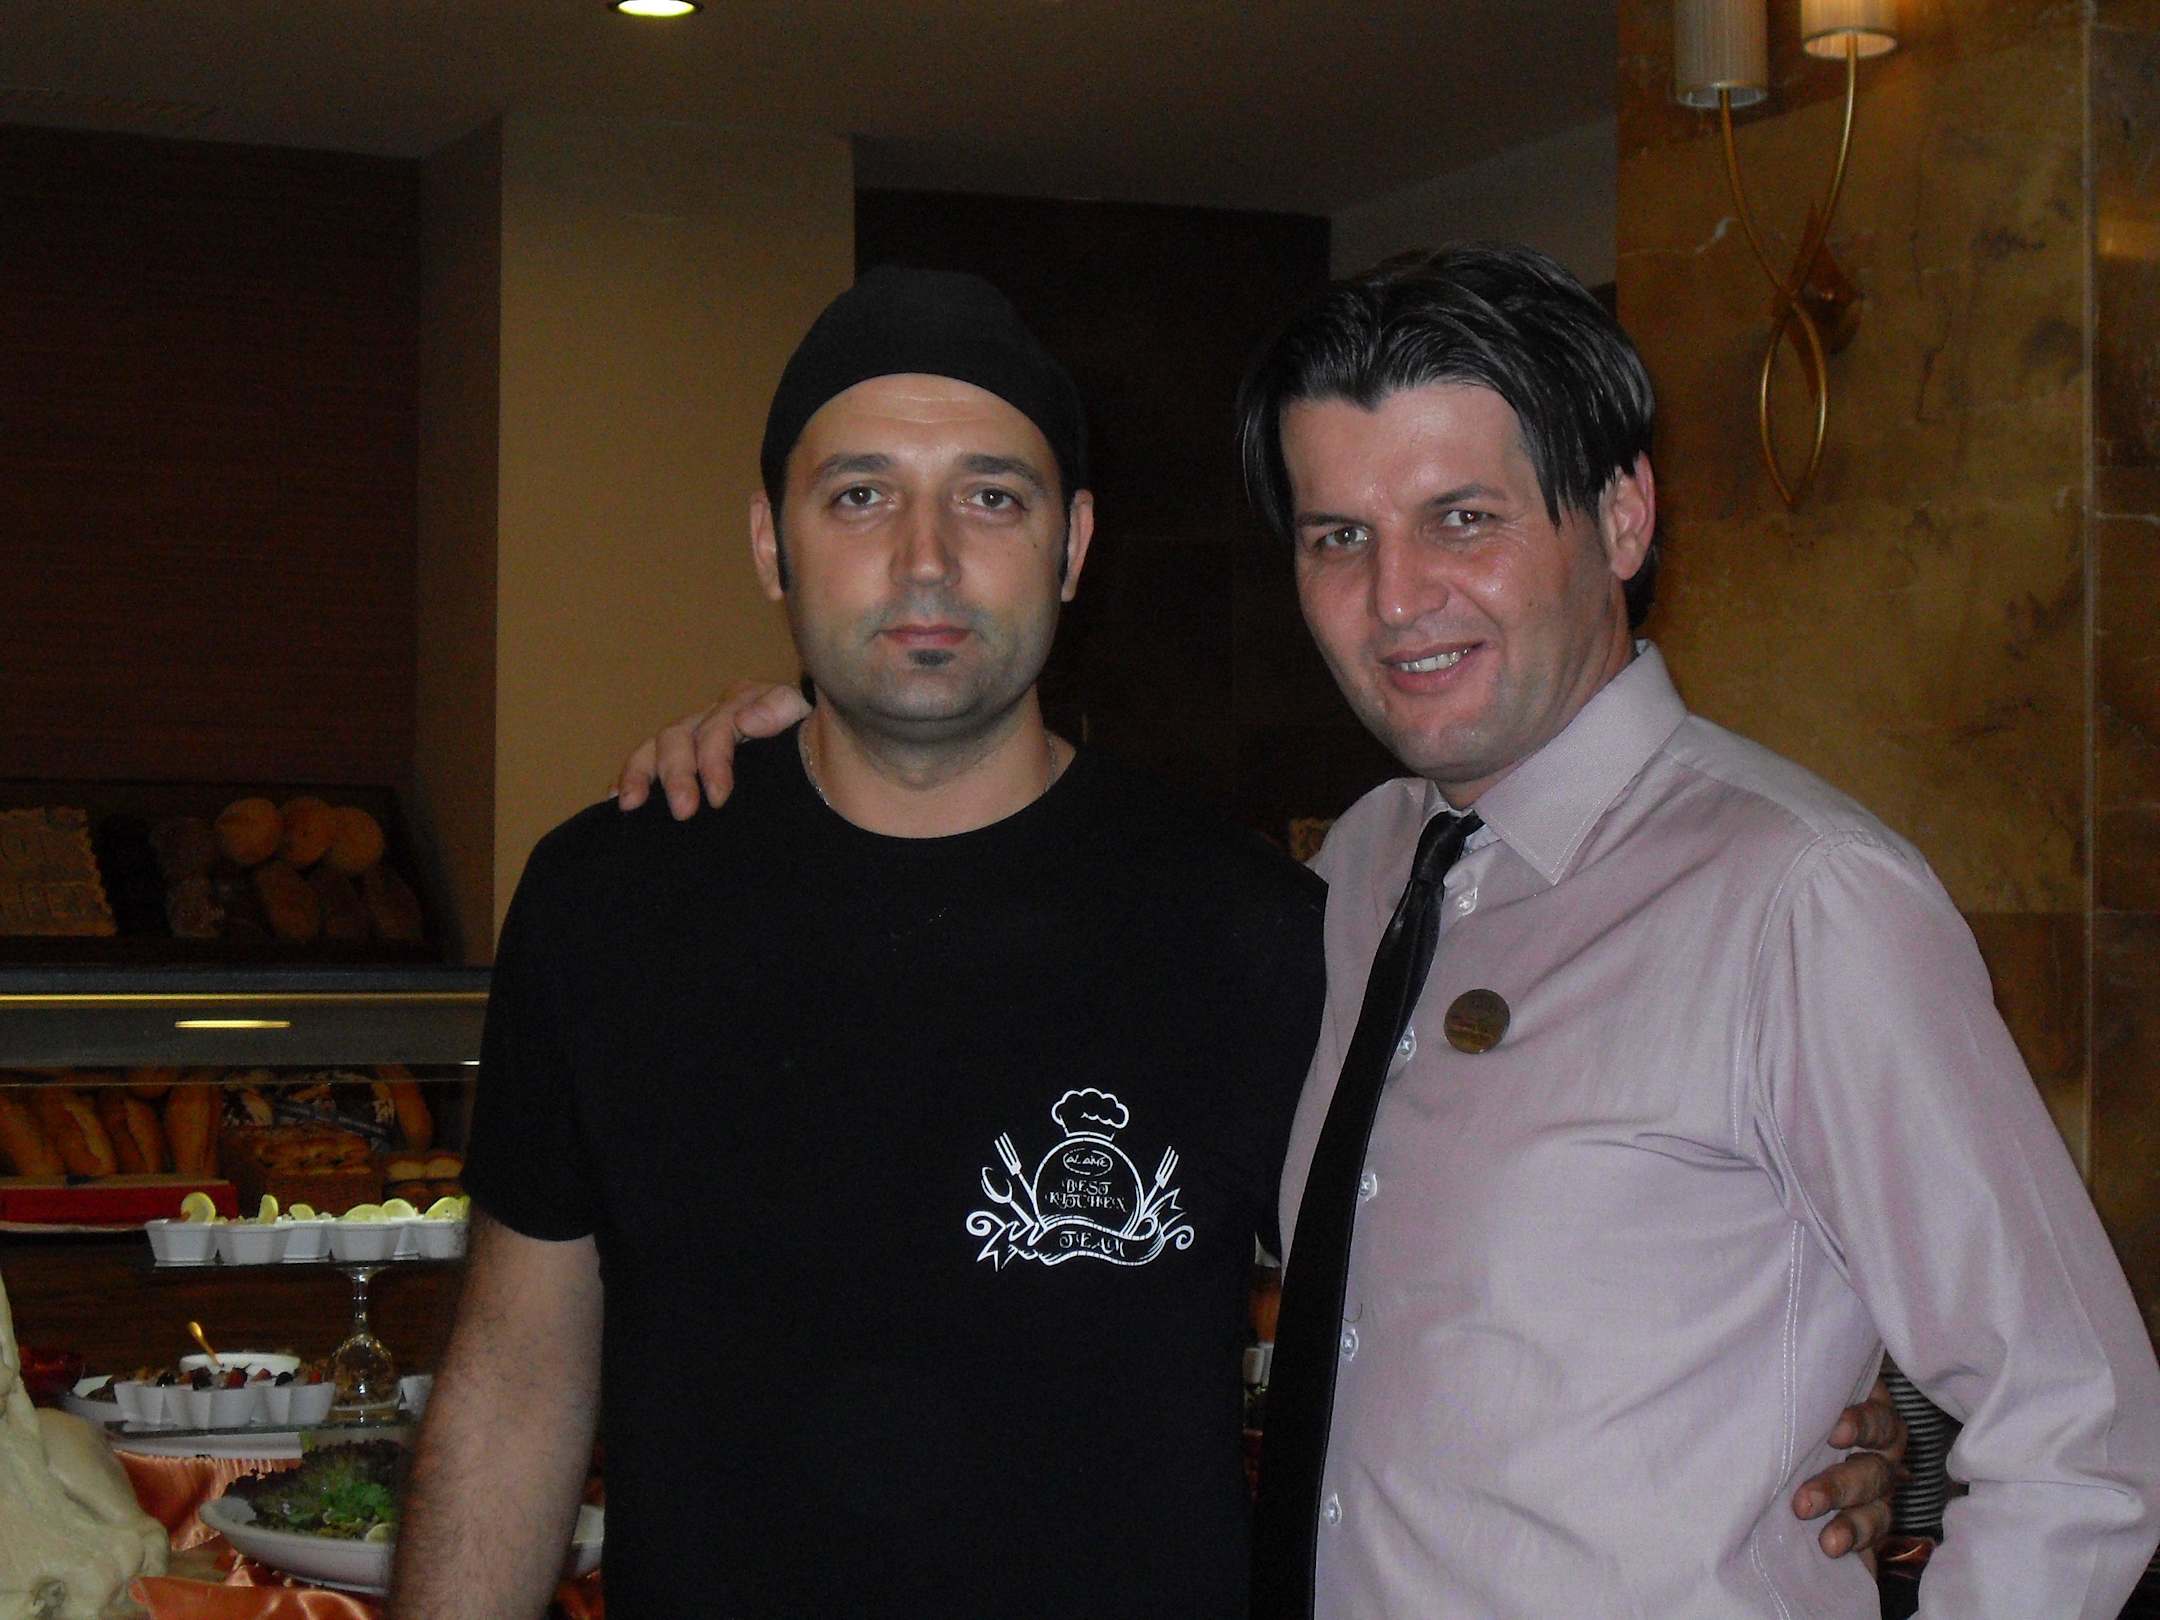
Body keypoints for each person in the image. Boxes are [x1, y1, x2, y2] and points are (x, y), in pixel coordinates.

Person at [616, 245, 2160, 1619]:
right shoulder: (1357, 871)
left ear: (1622, 515)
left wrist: (1876, 1433)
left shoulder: (1798, 899)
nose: (1397, 597)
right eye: (1338, 536)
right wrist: (821, 758)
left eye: (1461, 519)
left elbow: (2077, 1433)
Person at [389, 266, 1327, 1618]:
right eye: (860, 496)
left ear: (1073, 545)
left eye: (991, 498)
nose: (925, 559)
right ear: (771, 543)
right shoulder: (610, 901)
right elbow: (516, 1381)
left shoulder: (1249, 927)